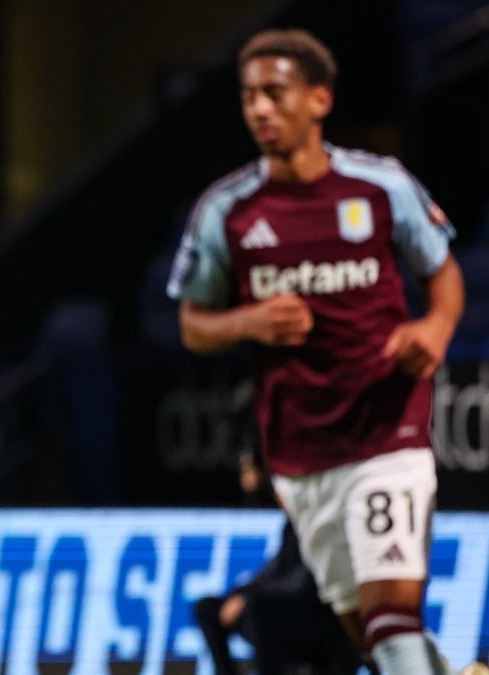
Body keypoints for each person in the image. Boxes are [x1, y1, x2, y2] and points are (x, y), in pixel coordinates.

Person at [167, 28, 467, 675]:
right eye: (249, 97)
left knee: (392, 621)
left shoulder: (378, 186)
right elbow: (192, 322)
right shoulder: (228, 210)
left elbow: (442, 274)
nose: (260, 110)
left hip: (388, 427)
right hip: (300, 456)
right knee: (370, 635)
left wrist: (435, 331)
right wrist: (248, 319)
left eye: (275, 94)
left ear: (319, 99)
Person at [195, 455, 363, 674]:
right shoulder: (291, 526)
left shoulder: (323, 523)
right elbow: (276, 569)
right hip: (287, 609)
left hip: (320, 619)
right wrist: (240, 593)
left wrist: (249, 597)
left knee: (260, 607)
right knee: (208, 608)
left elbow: (306, 581)